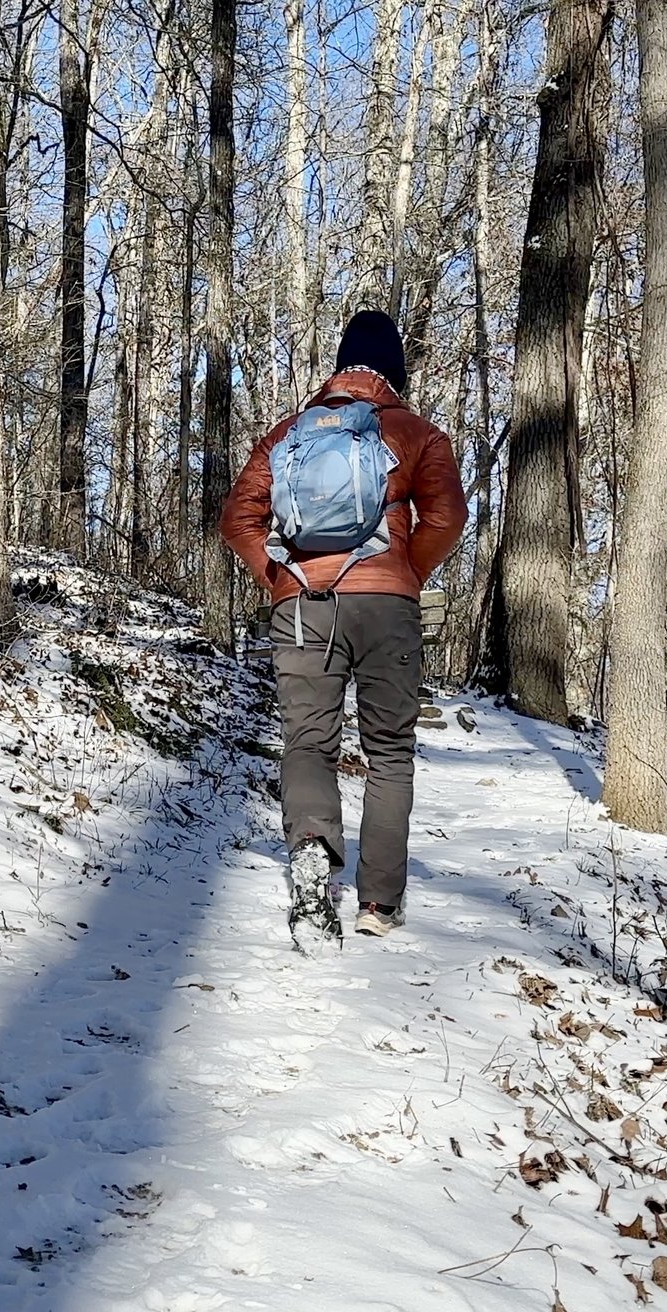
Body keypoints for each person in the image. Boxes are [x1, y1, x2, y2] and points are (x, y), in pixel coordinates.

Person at [217, 309, 469, 946]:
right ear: (395, 370)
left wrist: (279, 579)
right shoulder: (416, 434)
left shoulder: (287, 436)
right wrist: (405, 570)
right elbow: (446, 516)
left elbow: (238, 520)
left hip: (302, 602)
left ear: (340, 365)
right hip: (386, 605)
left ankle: (309, 850)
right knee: (389, 754)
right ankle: (377, 905)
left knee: (308, 740)